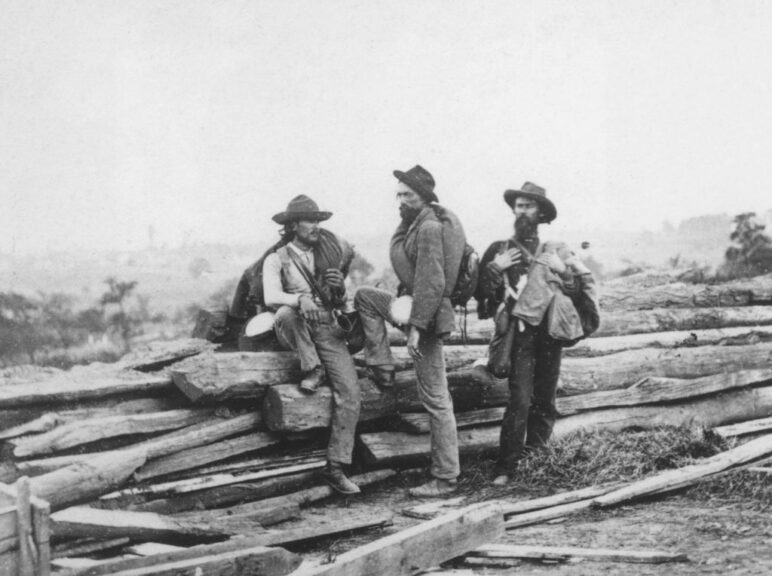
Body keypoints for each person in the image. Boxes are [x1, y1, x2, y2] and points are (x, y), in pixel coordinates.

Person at [474, 182, 598, 486]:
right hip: (519, 336)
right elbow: (480, 296)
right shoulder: (499, 249)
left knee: (545, 400)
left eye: (529, 206)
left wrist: (564, 272)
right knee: (519, 400)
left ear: (541, 212)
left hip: (550, 335)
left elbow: (577, 291)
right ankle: (506, 468)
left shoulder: (556, 250)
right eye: (519, 205)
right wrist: (493, 268)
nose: (523, 211)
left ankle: (537, 461)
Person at [354, 165, 466, 497]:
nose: (401, 200)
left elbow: (433, 282)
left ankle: (446, 477)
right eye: (398, 194)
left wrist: (416, 329)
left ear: (424, 197)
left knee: (435, 397)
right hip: (414, 307)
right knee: (366, 297)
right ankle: (382, 366)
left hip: (428, 318)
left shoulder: (429, 227)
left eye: (408, 195)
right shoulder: (413, 224)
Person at [262, 194, 362, 494]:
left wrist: (338, 291)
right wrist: (299, 299)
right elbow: (270, 296)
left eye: (318, 220)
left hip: (327, 327)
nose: (316, 226)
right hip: (296, 325)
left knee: (351, 392)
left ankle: (336, 467)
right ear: (293, 225)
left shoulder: (328, 255)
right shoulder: (276, 258)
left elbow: (342, 301)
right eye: (310, 220)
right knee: (285, 312)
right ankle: (312, 367)